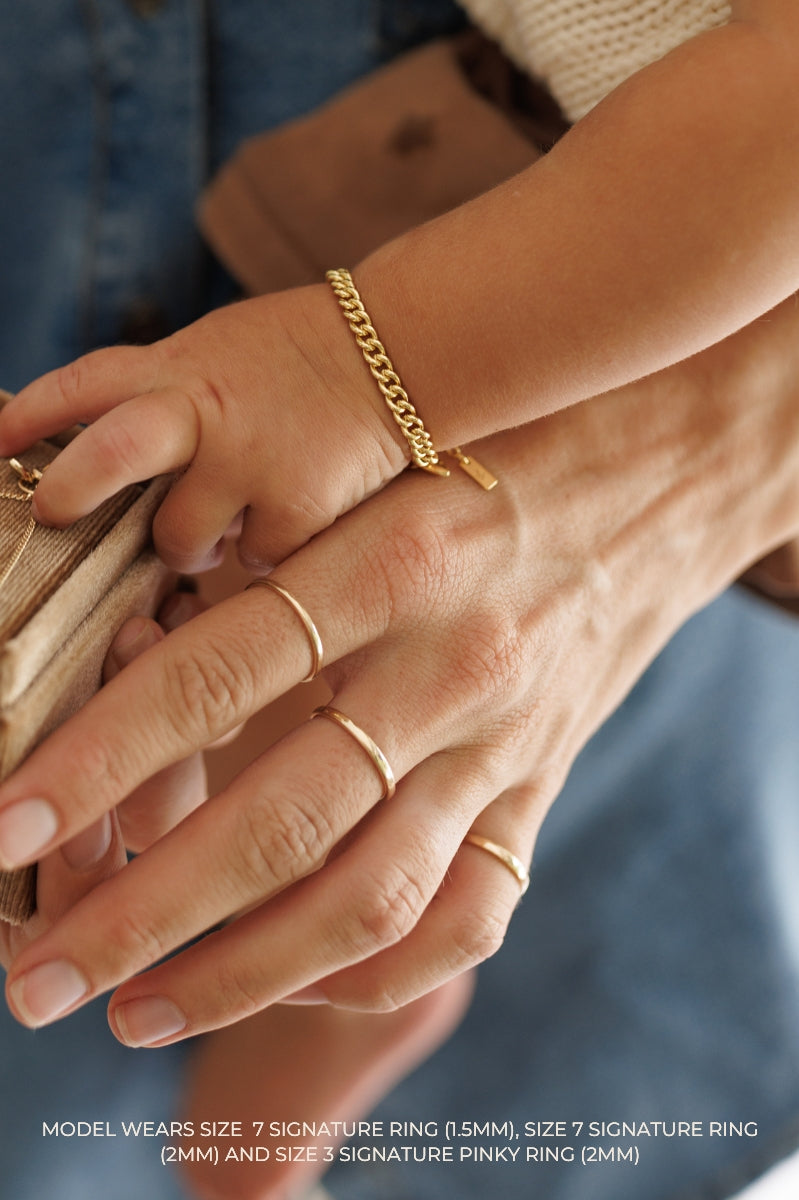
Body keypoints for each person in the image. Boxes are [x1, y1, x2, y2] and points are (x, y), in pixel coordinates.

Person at [2, 3, 799, 1199]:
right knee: (188, 702)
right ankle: (310, 1000)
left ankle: (316, 1013)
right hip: (387, 242)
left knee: (301, 659)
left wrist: (353, 368)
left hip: (510, 290)